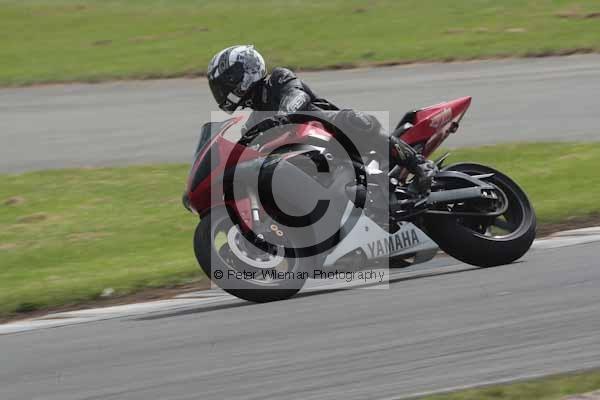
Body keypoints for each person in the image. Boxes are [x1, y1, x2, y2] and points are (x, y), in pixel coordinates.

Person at [207, 45, 435, 193]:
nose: (223, 91)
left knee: (356, 120)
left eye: (226, 82)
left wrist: (281, 117)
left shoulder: (278, 78)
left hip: (330, 133)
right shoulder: (254, 118)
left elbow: (297, 96)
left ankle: (419, 164)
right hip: (304, 159)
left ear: (246, 72)